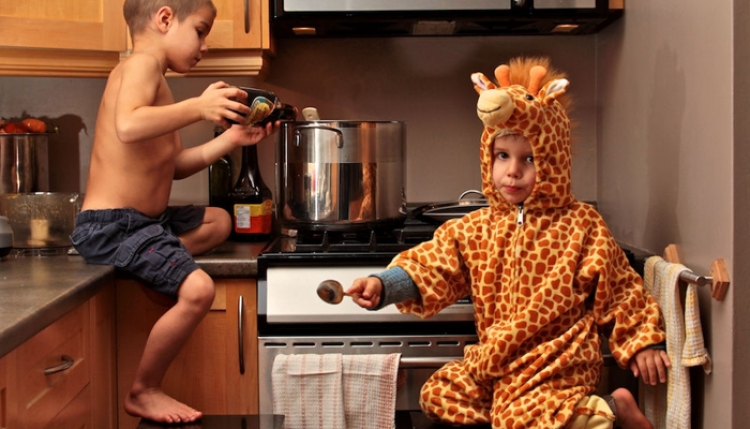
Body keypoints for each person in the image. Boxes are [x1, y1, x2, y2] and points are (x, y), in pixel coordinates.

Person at [345, 57, 671, 429]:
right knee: (439, 396)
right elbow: (433, 265)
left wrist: (644, 341)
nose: (512, 170)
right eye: (503, 156)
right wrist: (384, 285)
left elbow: (621, 289)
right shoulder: (476, 228)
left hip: (556, 363)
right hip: (495, 363)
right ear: (488, 158)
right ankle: (558, 415)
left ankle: (611, 409)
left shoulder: (581, 225)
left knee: (522, 419)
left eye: (528, 159)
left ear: (553, 161)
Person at [70, 0, 279, 424]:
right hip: (113, 226)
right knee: (198, 290)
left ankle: (150, 260)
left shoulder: (157, 83)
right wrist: (199, 108)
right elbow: (127, 126)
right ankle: (143, 390)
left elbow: (176, 165)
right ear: (165, 19)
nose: (204, 45)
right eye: (201, 31)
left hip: (145, 222)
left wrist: (234, 139)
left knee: (220, 220)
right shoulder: (140, 67)